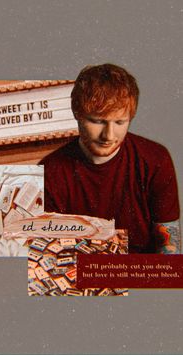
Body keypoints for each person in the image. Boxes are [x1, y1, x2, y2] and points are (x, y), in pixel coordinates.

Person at [40, 64, 180, 253]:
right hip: (81, 276)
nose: (109, 135)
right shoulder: (49, 170)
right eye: (98, 121)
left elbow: (169, 247)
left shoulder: (155, 159)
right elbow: (50, 257)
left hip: (139, 276)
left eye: (120, 122)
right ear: (77, 113)